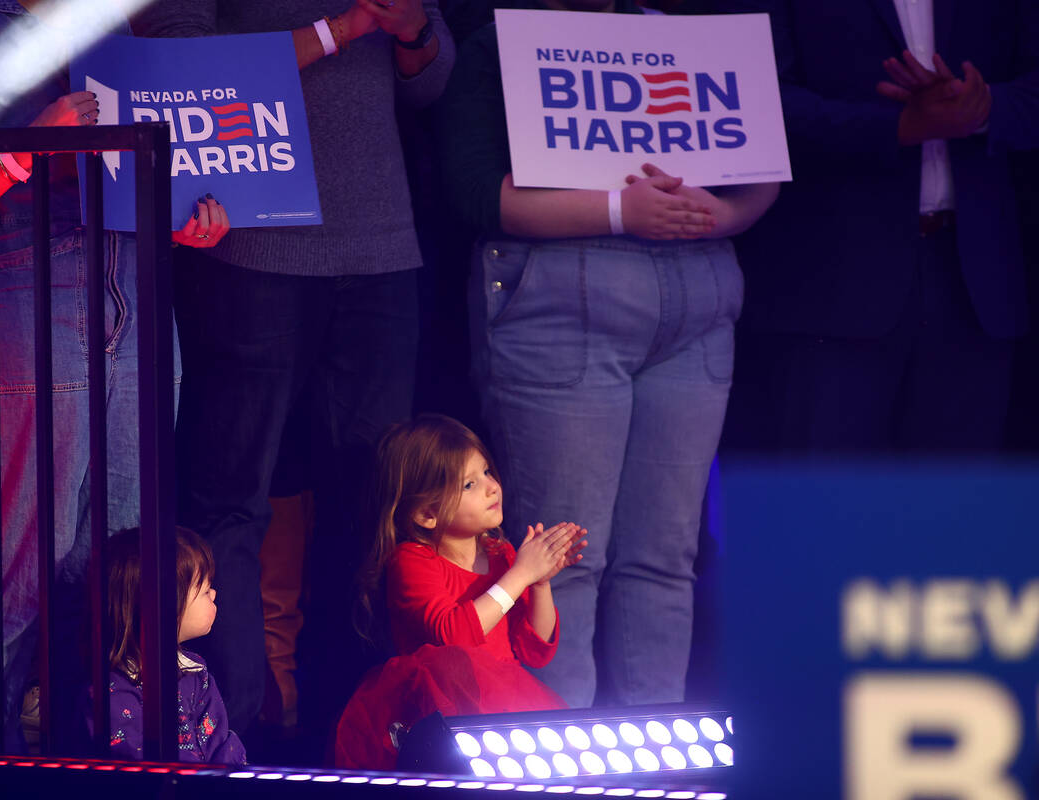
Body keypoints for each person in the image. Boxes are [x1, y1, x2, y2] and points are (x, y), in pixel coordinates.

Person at [0, 0, 229, 751]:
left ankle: (93, 750)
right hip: (19, 305)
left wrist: (176, 214)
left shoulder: (106, 32)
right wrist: (21, 155)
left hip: (130, 298)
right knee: (20, 568)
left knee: (118, 568)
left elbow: (116, 181)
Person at [438, 0, 780, 708]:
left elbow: (760, 162)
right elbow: (473, 191)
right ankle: (565, 771)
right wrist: (622, 211)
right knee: (563, 562)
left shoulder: (686, 32)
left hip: (699, 295)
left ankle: (656, 766)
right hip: (564, 303)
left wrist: (728, 214)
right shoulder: (500, 44)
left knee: (665, 559)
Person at [132, 0, 455, 738]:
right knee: (233, 497)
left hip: (380, 249)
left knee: (378, 503)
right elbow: (180, 58)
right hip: (251, 242)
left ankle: (363, 728)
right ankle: (234, 733)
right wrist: (342, 28)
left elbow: (428, 87)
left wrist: (410, 31)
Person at [719, 0, 1039, 453]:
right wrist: (898, 127)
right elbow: (744, 96)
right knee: (821, 509)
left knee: (955, 514)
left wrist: (983, 108)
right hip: (827, 283)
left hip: (977, 285)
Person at [335, 414, 584, 770]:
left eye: (486, 471)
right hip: (442, 723)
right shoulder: (412, 561)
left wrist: (539, 581)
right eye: (469, 484)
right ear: (427, 514)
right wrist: (520, 575)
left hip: (502, 711)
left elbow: (535, 650)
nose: (491, 486)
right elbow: (453, 635)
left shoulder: (502, 555)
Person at [95, 526, 246, 765]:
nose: (215, 594)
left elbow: (219, 744)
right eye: (206, 590)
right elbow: (134, 764)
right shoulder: (111, 691)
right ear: (164, 607)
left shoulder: (196, 672)